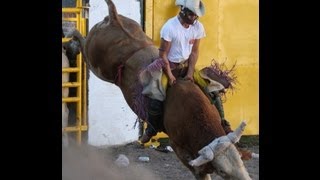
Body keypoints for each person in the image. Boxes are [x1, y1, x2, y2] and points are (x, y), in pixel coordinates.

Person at [140, 0, 232, 143]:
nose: (193, 18)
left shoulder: (198, 27)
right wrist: (169, 75)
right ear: (182, 10)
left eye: (195, 15)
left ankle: (224, 123)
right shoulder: (169, 27)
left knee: (213, 90)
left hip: (186, 66)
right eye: (190, 14)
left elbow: (194, 52)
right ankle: (151, 129)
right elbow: (163, 54)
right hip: (168, 66)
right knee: (156, 97)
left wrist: (190, 73)